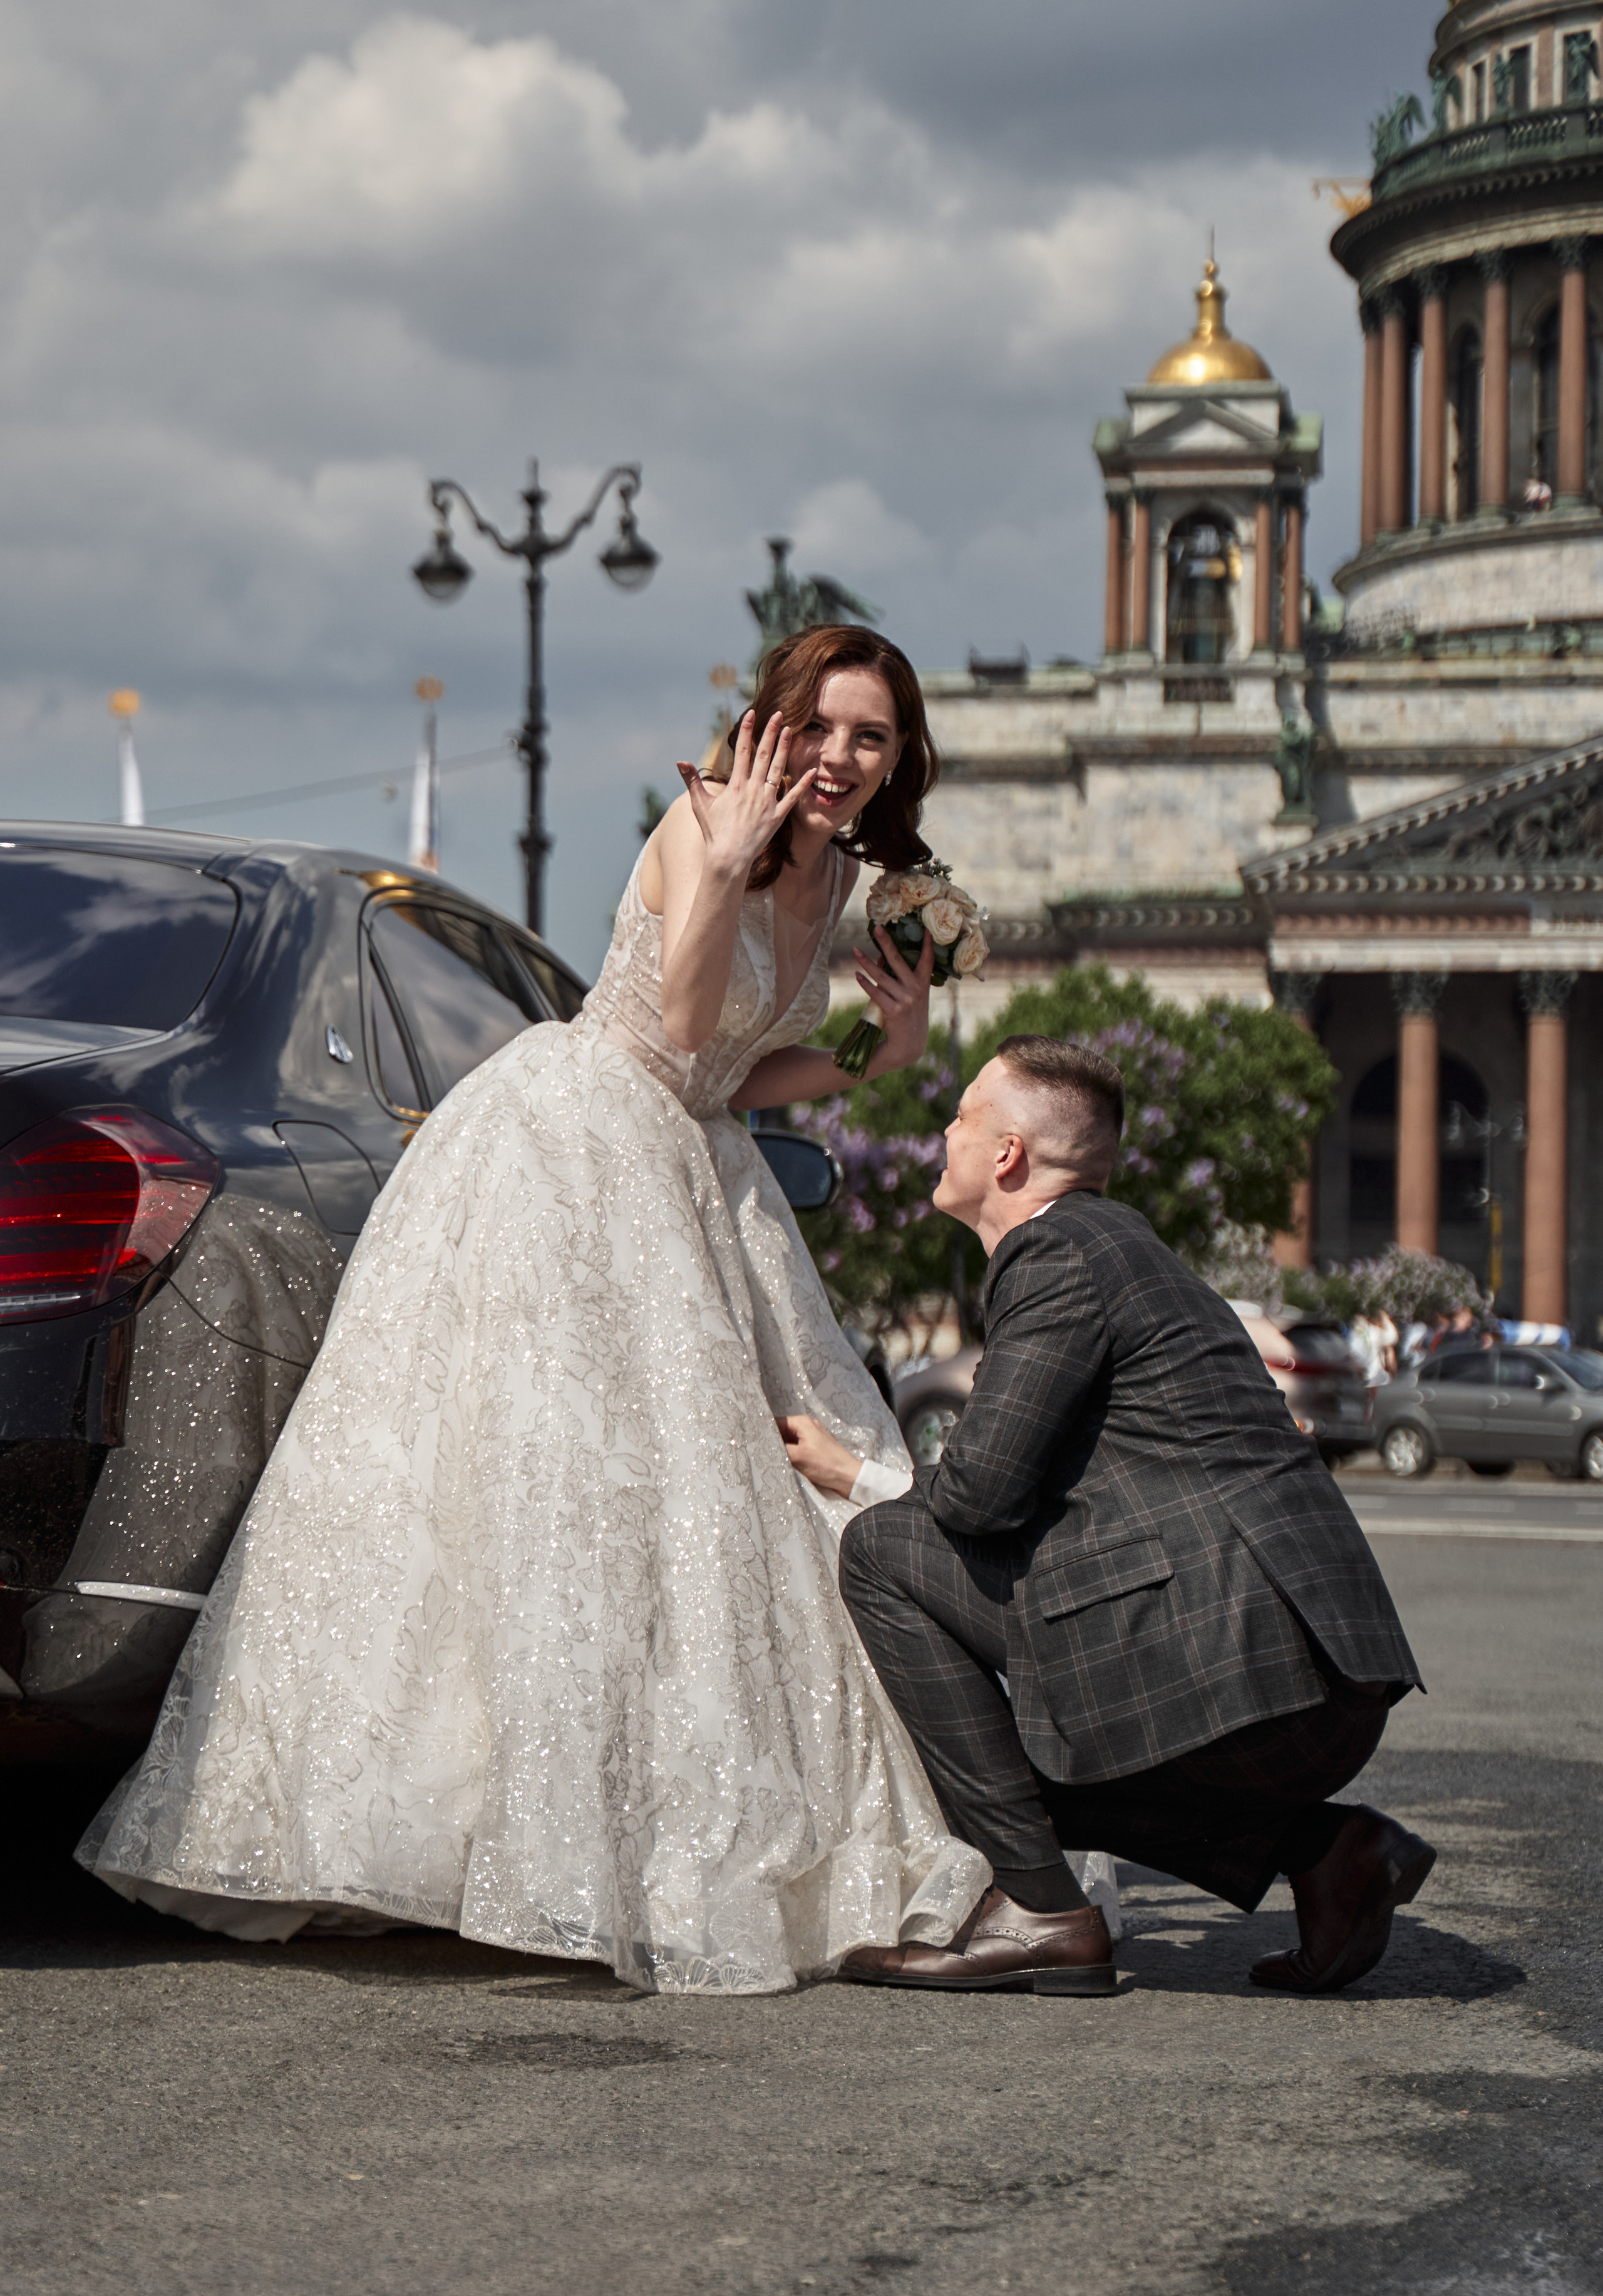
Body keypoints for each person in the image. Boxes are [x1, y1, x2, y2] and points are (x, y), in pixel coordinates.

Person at [78, 625, 992, 1993]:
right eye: (820, 728)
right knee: (550, 1488)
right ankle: (463, 1839)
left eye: (869, 738)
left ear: (896, 759)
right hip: (571, 1144)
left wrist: (889, 1038)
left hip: (697, 1163)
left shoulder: (855, 884)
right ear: (775, 726)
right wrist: (729, 856)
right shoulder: (705, 826)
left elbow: (747, 1073)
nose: (839, 760)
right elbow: (679, 1023)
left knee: (713, 1509)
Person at [805, 1037, 1432, 1997]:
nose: (944, 1131)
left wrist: (858, 1478)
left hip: (1248, 1668)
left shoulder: (1054, 1252)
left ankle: (1041, 1914)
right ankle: (1326, 1851)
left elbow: (978, 1494)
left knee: (885, 1557)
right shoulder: (1123, 1246)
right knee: (1009, 1764)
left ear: (1008, 1155)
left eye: (963, 1116)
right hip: (1313, 1678)